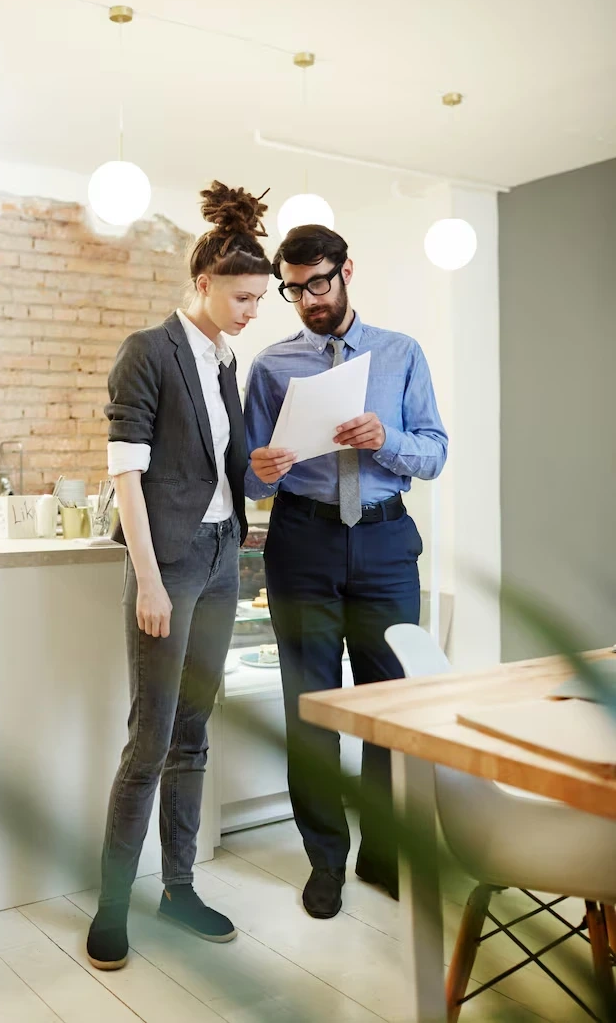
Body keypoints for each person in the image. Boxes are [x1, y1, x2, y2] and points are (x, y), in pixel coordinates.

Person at [86, 182, 271, 970]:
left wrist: (258, 468)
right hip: (172, 567)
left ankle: (181, 889)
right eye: (242, 297)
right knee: (151, 739)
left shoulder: (228, 359)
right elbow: (127, 473)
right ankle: (114, 906)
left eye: (261, 299)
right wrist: (151, 579)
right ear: (203, 282)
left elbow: (220, 472)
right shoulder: (149, 351)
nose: (252, 311)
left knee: (194, 735)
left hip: (226, 556)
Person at [244, 224, 447, 919]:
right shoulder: (271, 366)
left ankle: (385, 855)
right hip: (302, 544)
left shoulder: (401, 354)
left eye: (318, 283)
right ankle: (324, 859)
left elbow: (435, 452)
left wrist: (385, 439)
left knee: (390, 706)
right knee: (312, 706)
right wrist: (259, 468)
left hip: (386, 544)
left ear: (347, 270)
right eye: (293, 290)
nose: (308, 300)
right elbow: (249, 472)